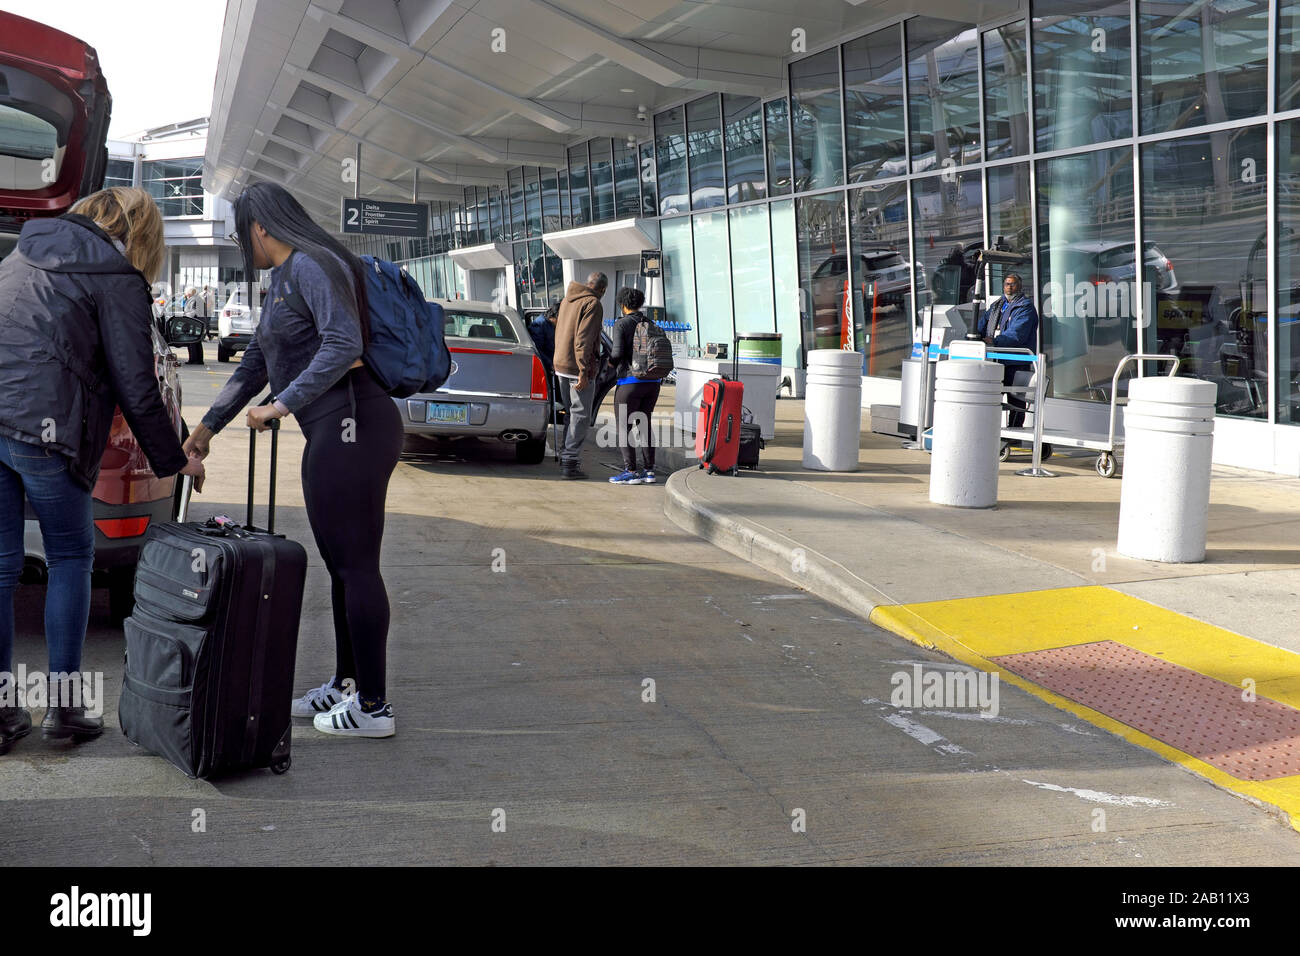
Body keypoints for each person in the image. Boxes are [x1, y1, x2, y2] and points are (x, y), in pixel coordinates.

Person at [182, 181, 404, 739]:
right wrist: (209, 427)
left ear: (260, 227)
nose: (242, 247)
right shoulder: (285, 278)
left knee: (356, 565)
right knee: (340, 564)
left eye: (241, 236)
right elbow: (258, 357)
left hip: (355, 425)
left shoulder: (311, 265)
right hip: (333, 427)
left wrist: (280, 406)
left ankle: (374, 709)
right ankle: (347, 685)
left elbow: (343, 343)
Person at [0, 186, 206, 752]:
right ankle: (64, 711)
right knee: (70, 557)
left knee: (0, 566)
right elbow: (138, 384)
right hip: (46, 431)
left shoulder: (20, 254)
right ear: (140, 235)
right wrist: (175, 458)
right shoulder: (116, 278)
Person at [553, 272, 607, 480]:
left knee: (571, 413)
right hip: (577, 368)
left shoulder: (568, 299)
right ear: (602, 289)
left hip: (561, 364)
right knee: (580, 416)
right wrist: (584, 371)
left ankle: (566, 457)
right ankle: (570, 462)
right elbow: (583, 341)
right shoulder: (592, 303)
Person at [606, 288, 660, 485]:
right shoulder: (650, 323)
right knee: (644, 425)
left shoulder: (622, 323)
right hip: (653, 383)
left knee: (624, 427)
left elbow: (618, 352)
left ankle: (630, 470)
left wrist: (609, 365)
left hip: (630, 383)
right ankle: (649, 471)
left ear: (622, 304)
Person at [977, 273, 1040, 427]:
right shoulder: (998, 305)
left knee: (1016, 400)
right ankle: (993, 432)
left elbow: (1017, 334)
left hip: (1015, 361)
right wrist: (975, 336)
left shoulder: (1025, 307)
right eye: (1007, 284)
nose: (1009, 287)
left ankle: (1014, 434)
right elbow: (982, 324)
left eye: (1013, 284)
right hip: (996, 359)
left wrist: (994, 341)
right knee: (992, 397)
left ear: (1020, 286)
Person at [528, 301, 558, 377]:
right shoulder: (539, 324)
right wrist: (550, 364)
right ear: (554, 317)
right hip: (546, 366)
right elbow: (537, 350)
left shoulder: (551, 324)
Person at [183, 286, 205, 366]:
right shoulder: (198, 299)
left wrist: (185, 316)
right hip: (198, 323)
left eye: (186, 293)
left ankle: (193, 359)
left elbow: (193, 312)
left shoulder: (194, 299)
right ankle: (199, 359)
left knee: (191, 341)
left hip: (194, 323)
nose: (185, 294)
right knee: (197, 342)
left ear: (189, 293)